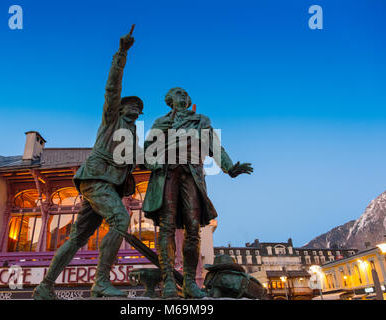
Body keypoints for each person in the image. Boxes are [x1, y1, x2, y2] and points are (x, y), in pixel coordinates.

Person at [33, 31, 143, 299]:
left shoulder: (130, 136)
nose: (136, 110)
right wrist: (122, 53)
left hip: (105, 186)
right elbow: (112, 88)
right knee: (120, 219)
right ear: (120, 108)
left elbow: (140, 160)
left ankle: (45, 286)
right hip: (96, 179)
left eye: (140, 109)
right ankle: (101, 281)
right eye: (132, 106)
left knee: (77, 239)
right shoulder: (111, 120)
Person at [143, 87, 253, 298]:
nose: (182, 97)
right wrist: (153, 161)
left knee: (193, 228)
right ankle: (167, 282)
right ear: (169, 101)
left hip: (192, 173)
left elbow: (215, 146)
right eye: (177, 94)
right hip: (166, 174)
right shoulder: (160, 122)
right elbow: (147, 150)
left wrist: (229, 168)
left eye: (185, 94)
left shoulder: (201, 120)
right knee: (166, 227)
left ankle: (190, 283)